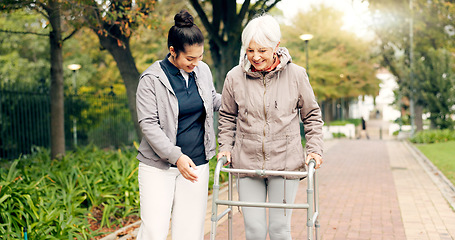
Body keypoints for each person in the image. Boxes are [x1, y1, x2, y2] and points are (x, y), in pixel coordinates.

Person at [217, 14, 324, 240]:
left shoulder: (296, 75)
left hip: (285, 162)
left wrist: (314, 148)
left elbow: (312, 115)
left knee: (279, 229)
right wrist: (226, 146)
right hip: (247, 162)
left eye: (262, 50)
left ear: (276, 46)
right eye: (250, 50)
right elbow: (227, 116)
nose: (255, 57)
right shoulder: (234, 77)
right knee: (254, 230)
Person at [135, 9, 221, 240]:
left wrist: (239, 99)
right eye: (190, 59)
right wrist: (177, 157)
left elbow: (212, 100)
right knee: (155, 231)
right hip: (158, 167)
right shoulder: (151, 79)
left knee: (190, 232)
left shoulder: (202, 71)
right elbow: (148, 124)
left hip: (196, 165)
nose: (196, 63)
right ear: (172, 51)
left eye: (200, 57)